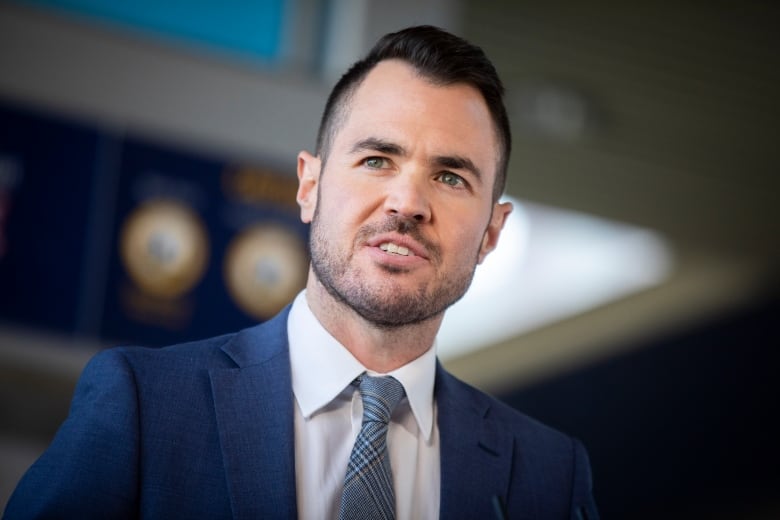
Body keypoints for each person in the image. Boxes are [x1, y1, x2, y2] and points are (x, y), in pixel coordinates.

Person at [4, 26, 598, 519]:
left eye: (450, 177)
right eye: (376, 160)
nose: (407, 202)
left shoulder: (549, 477)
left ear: (491, 233)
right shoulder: (144, 406)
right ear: (309, 186)